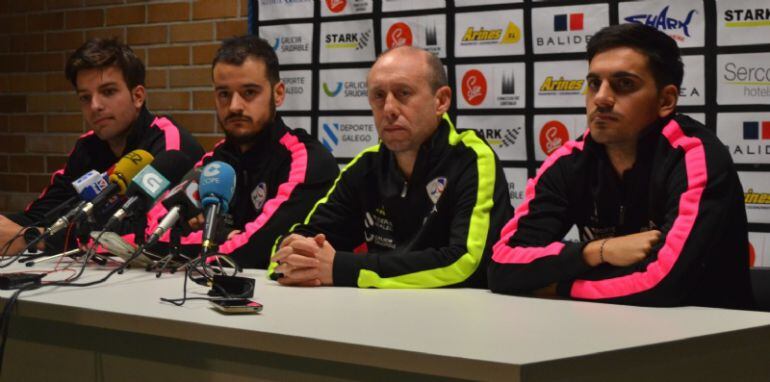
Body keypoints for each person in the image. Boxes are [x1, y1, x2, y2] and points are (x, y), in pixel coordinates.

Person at [488, 24, 754, 309]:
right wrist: (595, 252)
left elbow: (664, 283)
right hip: (605, 332)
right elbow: (502, 266)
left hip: (714, 341)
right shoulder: (569, 162)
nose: (601, 98)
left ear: (665, 100)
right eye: (594, 84)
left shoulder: (695, 156)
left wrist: (559, 286)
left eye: (624, 84)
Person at [270, 46, 512, 288]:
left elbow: (466, 263)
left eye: (403, 93)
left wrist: (342, 269)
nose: (389, 109)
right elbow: (305, 236)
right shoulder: (366, 166)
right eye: (378, 96)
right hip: (379, 312)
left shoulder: (471, 159)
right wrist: (290, 257)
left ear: (441, 101)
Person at [145, 35, 339, 269]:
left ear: (278, 94)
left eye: (249, 92)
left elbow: (257, 251)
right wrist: (224, 236)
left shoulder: (306, 160)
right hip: (211, 293)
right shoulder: (214, 160)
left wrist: (208, 235)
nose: (235, 106)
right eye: (224, 94)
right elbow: (153, 233)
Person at [0, 38, 205, 255]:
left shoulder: (170, 146)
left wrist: (33, 238)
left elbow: (143, 233)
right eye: (85, 98)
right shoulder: (87, 146)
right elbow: (41, 215)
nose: (95, 106)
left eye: (108, 92)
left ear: (137, 97)